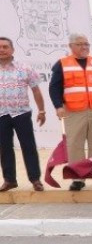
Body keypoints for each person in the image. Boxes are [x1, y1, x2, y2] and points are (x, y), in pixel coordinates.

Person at [50, 33, 92, 191]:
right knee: (75, 145)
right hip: (73, 112)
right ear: (71, 46)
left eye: (86, 44)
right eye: (80, 44)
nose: (84, 47)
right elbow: (54, 87)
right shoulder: (62, 64)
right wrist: (58, 106)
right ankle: (78, 178)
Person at [0, 36, 46, 191]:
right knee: (4, 148)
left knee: (28, 147)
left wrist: (41, 110)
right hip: (1, 115)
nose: (2, 50)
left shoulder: (24, 68)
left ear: (12, 49)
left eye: (5, 47)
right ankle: (9, 180)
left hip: (21, 114)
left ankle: (35, 179)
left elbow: (36, 90)